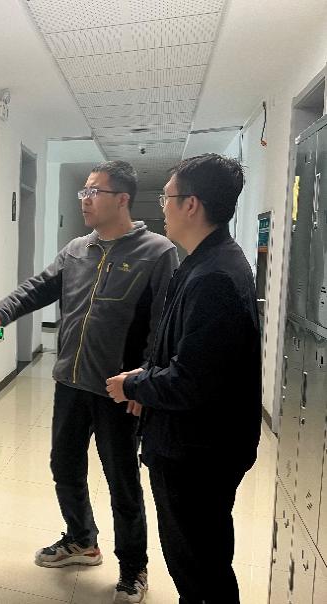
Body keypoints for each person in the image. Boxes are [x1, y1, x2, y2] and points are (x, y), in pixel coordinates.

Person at [0, 161, 178, 603]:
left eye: (94, 191)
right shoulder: (77, 249)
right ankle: (82, 540)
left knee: (122, 482)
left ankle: (133, 568)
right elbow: (37, 288)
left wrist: (145, 382)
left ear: (122, 199)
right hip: (70, 382)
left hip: (119, 390)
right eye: (84, 191)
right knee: (64, 466)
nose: (85, 199)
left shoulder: (157, 252)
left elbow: (164, 325)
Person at [106, 154, 261, 603]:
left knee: (198, 563)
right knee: (199, 557)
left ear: (191, 204)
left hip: (197, 453)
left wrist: (133, 386)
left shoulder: (214, 277)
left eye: (167, 197)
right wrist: (148, 375)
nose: (163, 207)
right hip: (196, 444)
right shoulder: (205, 262)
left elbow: (193, 381)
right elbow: (186, 351)